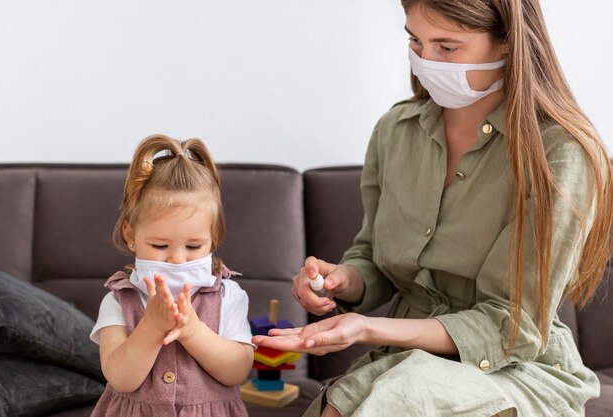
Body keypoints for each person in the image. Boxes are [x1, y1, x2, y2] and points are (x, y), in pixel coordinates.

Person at [253, 1, 612, 416]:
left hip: (516, 368)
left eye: (447, 47)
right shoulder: (396, 131)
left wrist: (366, 327)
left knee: (397, 398)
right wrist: (342, 282)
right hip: (406, 359)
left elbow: (511, 326)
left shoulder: (560, 155)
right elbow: (373, 256)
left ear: (509, 44)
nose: (425, 61)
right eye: (415, 41)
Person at [90, 134, 253, 417]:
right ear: (131, 236)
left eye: (193, 246)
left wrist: (193, 331)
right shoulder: (118, 301)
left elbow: (237, 370)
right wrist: (151, 327)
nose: (177, 258)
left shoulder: (228, 296)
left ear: (212, 239)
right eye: (160, 246)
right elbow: (120, 378)